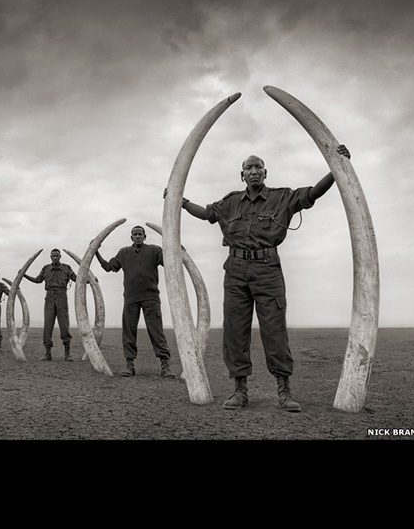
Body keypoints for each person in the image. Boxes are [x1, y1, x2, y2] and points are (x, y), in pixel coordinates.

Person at [179, 145, 350, 412]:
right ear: (242, 175)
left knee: (274, 330)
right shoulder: (230, 202)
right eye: (249, 168)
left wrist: (336, 168)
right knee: (235, 331)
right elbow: (206, 214)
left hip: (268, 270)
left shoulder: (282, 198)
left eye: (258, 167)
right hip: (235, 272)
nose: (254, 171)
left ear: (265, 172)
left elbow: (313, 193)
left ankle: (284, 391)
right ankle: (239, 391)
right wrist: (181, 201)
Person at [95, 226, 177, 379]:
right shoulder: (123, 253)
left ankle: (165, 366)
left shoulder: (154, 250)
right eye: (135, 234)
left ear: (145, 236)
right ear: (131, 237)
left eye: (140, 234)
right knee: (128, 333)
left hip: (151, 298)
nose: (138, 236)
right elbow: (109, 267)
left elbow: (169, 262)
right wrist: (96, 252)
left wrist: (177, 249)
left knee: (156, 331)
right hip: (131, 299)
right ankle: (129, 365)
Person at [24, 249, 77, 362]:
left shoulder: (67, 268)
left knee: (64, 325)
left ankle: (67, 354)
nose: (55, 258)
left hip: (62, 298)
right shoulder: (45, 269)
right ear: (50, 257)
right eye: (53, 256)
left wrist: (90, 280)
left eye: (57, 256)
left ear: (60, 256)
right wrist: (24, 275)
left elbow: (77, 279)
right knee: (48, 326)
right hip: (49, 299)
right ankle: (47, 353)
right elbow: (38, 280)